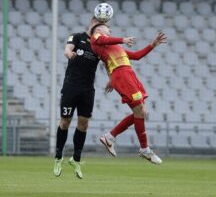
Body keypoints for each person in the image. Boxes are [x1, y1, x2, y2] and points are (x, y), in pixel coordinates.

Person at [90, 24, 166, 164]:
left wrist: (152, 45)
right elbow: (104, 41)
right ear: (98, 30)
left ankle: (110, 137)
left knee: (141, 111)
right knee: (139, 110)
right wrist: (122, 39)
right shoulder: (96, 37)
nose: (110, 30)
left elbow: (136, 56)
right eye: (108, 28)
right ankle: (144, 149)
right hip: (122, 75)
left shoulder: (116, 48)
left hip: (128, 75)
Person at [53, 17, 101, 179]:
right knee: (65, 121)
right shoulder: (76, 36)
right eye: (97, 22)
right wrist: (69, 53)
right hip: (71, 86)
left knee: (83, 124)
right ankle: (58, 157)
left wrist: (112, 78)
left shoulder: (100, 45)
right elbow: (67, 49)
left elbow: (108, 62)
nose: (98, 26)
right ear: (92, 21)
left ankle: (76, 159)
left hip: (88, 90)